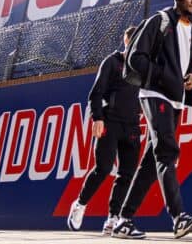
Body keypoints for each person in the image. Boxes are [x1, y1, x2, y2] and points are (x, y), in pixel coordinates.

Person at [112, 0, 192, 240]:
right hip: (155, 93)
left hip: (176, 98)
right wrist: (163, 77)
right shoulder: (160, 20)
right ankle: (178, 217)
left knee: (151, 163)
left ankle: (123, 220)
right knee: (167, 151)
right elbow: (136, 58)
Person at [67, 26, 142, 234]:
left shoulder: (144, 68)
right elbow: (96, 93)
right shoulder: (112, 62)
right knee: (103, 168)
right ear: (126, 41)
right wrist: (97, 118)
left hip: (133, 126)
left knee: (127, 174)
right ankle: (80, 205)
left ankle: (113, 218)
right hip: (110, 122)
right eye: (132, 39)